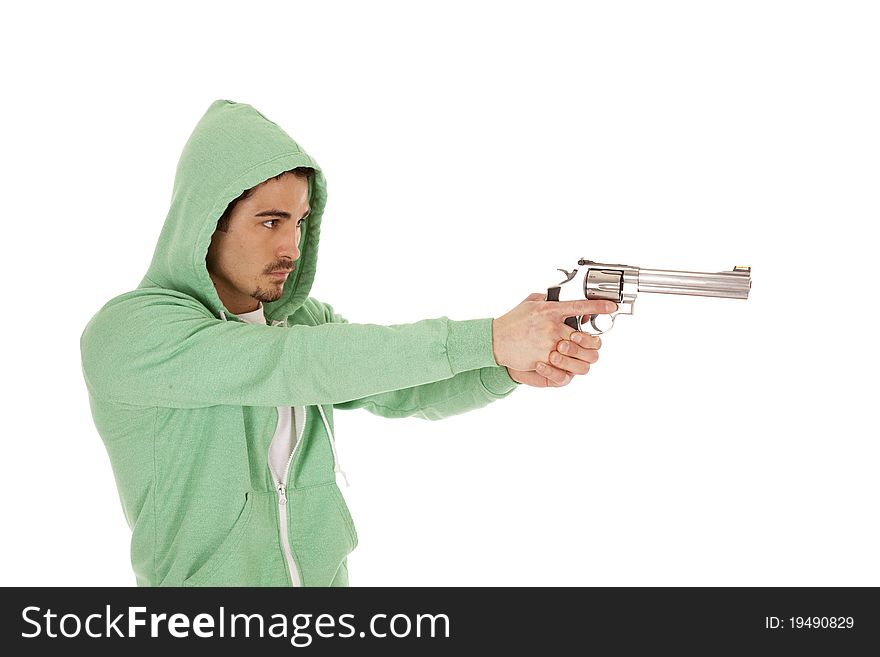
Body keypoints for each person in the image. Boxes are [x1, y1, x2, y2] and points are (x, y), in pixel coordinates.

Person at [79, 99, 616, 587]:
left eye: (299, 222)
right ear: (206, 224)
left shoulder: (301, 321)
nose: (291, 245)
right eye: (270, 222)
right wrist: (492, 337)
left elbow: (402, 390)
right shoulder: (133, 331)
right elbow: (287, 367)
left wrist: (506, 367)